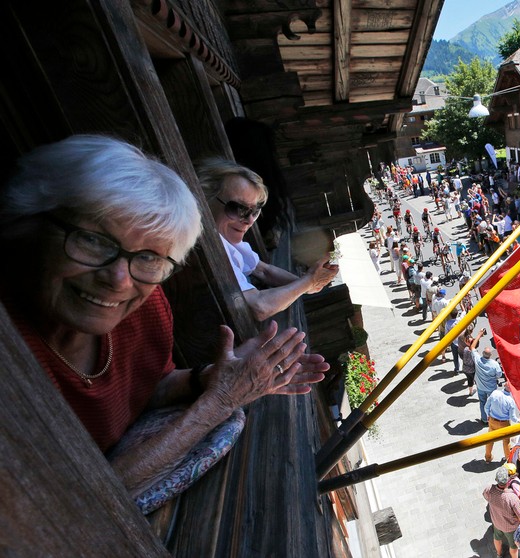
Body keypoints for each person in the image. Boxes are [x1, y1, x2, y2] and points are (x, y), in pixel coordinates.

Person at [0, 135, 327, 502]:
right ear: (26, 224)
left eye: (149, 258)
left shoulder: (147, 306)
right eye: (93, 240)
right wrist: (219, 401)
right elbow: (77, 503)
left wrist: (211, 377)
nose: (119, 280)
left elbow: (151, 385)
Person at [198, 159, 338, 321]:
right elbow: (259, 307)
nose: (250, 220)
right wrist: (308, 281)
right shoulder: (213, 244)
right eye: (238, 209)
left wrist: (310, 284)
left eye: (254, 211)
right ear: (206, 198)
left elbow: (263, 271)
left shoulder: (228, 238)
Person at [483, 467, 520, 558]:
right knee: (513, 546)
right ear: (508, 481)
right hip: (511, 528)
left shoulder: (489, 489)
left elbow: (485, 496)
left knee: (497, 538)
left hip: (497, 522)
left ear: (496, 480)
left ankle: (499, 554)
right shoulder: (512, 497)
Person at [485, 383, 519, 463]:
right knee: (506, 442)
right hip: (504, 423)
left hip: (493, 421)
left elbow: (486, 407)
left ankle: (488, 458)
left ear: (504, 385)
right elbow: (512, 417)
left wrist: (488, 415)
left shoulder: (494, 393)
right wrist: (519, 420)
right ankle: (508, 459)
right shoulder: (510, 401)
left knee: (490, 440)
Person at [474, 339, 504, 423]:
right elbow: (499, 374)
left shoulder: (478, 360)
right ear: (490, 355)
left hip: (480, 387)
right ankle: (493, 419)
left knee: (482, 402)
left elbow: (472, 348)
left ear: (483, 353)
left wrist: (479, 335)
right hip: (491, 387)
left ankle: (484, 419)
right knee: (492, 403)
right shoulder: (494, 364)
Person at [460, 325, 480, 397]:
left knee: (469, 380)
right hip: (472, 370)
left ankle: (470, 392)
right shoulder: (474, 353)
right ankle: (478, 390)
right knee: (476, 380)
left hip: (465, 369)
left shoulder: (465, 349)